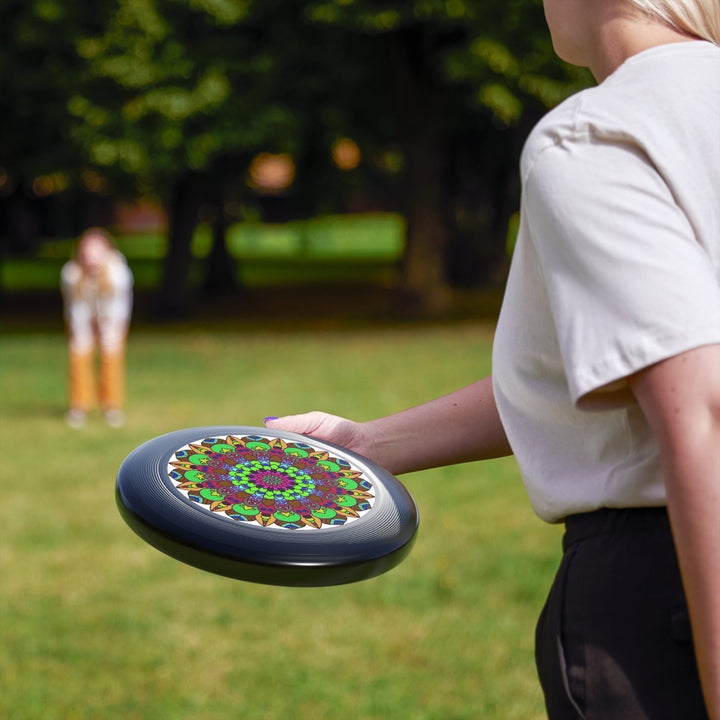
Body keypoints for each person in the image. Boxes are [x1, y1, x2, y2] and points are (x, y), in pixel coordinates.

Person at [264, 1, 720, 717]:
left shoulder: (600, 134)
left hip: (669, 595)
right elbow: (613, 370)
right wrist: (367, 444)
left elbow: (702, 408)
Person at [60, 227, 133, 428]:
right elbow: (76, 306)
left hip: (112, 319)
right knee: (79, 354)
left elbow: (118, 306)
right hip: (82, 319)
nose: (91, 256)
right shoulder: (71, 273)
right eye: (87, 251)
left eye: (96, 251)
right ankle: (79, 406)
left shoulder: (118, 273)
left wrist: (106, 326)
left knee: (111, 357)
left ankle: (112, 406)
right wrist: (84, 328)